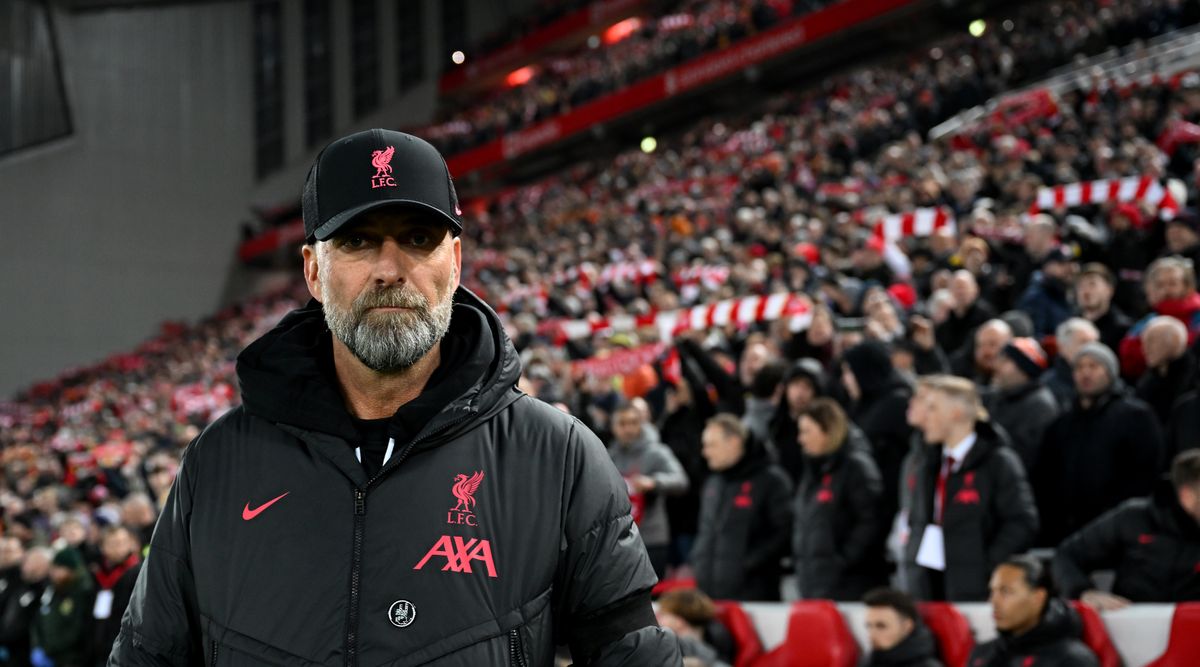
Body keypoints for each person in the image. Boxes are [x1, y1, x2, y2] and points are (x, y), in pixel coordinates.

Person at [111, 129, 682, 666]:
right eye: (357, 241)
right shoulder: (217, 464)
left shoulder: (560, 460)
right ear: (313, 269)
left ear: (454, 263)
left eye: (417, 239)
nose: (390, 269)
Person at [900, 376, 1038, 601]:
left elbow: (1022, 522)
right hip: (928, 588)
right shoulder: (928, 463)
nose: (926, 416)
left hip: (977, 591)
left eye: (933, 408)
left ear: (956, 413)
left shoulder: (998, 461)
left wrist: (986, 566)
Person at [1035, 342, 1165, 545]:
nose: (1085, 373)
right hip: (1067, 534)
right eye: (1079, 367)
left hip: (1118, 532)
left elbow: (1146, 474)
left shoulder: (1136, 416)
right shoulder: (1061, 424)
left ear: (1110, 373)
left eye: (1094, 366)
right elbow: (1045, 479)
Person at [1053, 450, 1200, 608]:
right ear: (1187, 495)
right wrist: (1083, 592)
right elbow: (1066, 556)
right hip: (1127, 625)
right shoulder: (1133, 518)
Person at [793, 398, 888, 600]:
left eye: (807, 431)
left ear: (828, 430)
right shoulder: (812, 472)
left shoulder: (856, 467)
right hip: (814, 583)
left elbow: (872, 520)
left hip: (851, 584)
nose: (800, 439)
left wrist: (843, 560)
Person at [690, 414, 792, 601]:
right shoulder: (713, 482)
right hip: (708, 594)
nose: (705, 452)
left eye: (711, 445)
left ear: (734, 442)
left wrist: (747, 564)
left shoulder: (772, 480)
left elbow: (783, 533)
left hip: (754, 595)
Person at [608, 400, 690, 579]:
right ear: (613, 427)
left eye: (633, 423)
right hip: (620, 540)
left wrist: (653, 482)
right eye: (622, 423)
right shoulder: (609, 455)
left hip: (652, 538)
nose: (628, 428)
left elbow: (681, 480)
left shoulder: (656, 452)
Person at [967, 556, 1099, 667]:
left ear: (1038, 597)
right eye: (992, 591)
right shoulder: (982, 653)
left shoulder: (1072, 660)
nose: (993, 601)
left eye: (1006, 592)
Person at [841, 341, 913, 522]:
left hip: (888, 504)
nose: (845, 379)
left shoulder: (898, 403)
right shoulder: (864, 403)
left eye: (849, 372)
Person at [985, 338, 1059, 473]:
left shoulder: (1040, 406)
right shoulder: (999, 396)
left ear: (1024, 368)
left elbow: (1025, 458)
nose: (997, 365)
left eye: (1006, 360)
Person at [1119, 256, 1200, 378]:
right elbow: (1127, 355)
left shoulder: (1197, 315)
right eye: (1160, 285)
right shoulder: (1150, 320)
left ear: (1187, 286)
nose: (1166, 290)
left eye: (1173, 283)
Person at [32, 548, 94, 667]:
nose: (54, 572)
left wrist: (50, 648)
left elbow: (76, 629)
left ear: (71, 570)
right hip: (47, 653)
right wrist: (37, 646)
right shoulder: (51, 589)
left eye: (59, 568)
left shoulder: (81, 594)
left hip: (70, 659)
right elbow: (39, 618)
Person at [91, 527, 141, 666]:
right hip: (102, 645)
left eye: (123, 542)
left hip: (126, 647)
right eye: (113, 544)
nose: (119, 548)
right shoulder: (100, 574)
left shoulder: (138, 573)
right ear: (103, 547)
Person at [1135, 316, 1196, 425]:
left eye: (1152, 341)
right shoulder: (1148, 379)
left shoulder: (1193, 376)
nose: (1145, 348)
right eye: (1143, 342)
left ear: (1175, 341)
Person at [862, 588, 943, 667]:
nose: (872, 634)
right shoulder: (871, 660)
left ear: (907, 626)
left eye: (881, 626)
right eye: (869, 626)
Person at [654, 590, 734, 667]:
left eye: (663, 614)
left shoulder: (670, 648)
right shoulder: (718, 649)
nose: (658, 619)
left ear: (679, 621)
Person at [0, 547, 49, 667]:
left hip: (25, 653)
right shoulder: (20, 585)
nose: (23, 564)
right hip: (8, 649)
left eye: (28, 561)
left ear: (40, 566)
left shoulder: (44, 592)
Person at [1042, 318, 1100, 410]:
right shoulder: (1047, 387)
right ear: (1062, 347)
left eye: (1095, 343)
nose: (1091, 349)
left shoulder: (1105, 379)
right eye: (1084, 342)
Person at [1074, 264, 1131, 355]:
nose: (1086, 291)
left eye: (1092, 284)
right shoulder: (1071, 326)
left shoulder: (1122, 329)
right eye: (1081, 286)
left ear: (1109, 290)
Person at [950, 319, 1012, 386]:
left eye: (992, 344)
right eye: (980, 345)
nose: (986, 351)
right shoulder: (962, 370)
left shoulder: (1017, 378)